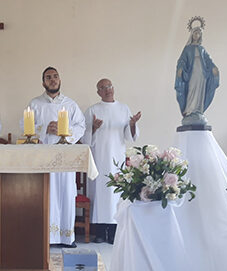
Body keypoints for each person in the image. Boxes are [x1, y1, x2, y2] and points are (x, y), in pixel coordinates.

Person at [26, 67, 85, 247]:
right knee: (47, 193)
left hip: (65, 156)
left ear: (60, 80)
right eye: (48, 77)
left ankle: (67, 236)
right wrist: (44, 129)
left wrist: (64, 130)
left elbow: (81, 126)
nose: (53, 80)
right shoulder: (34, 104)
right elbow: (26, 127)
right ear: (43, 82)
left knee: (65, 193)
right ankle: (47, 237)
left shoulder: (70, 104)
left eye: (55, 77)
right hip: (43, 157)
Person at [82, 78, 141, 244]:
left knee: (116, 194)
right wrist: (93, 128)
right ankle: (99, 232)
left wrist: (132, 124)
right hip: (99, 158)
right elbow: (85, 138)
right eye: (102, 87)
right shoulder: (93, 110)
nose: (107, 89)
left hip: (117, 158)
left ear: (113, 88)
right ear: (98, 92)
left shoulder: (124, 109)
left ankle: (114, 232)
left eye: (109, 86)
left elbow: (130, 136)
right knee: (100, 195)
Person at [175, 20, 219, 126]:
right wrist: (180, 68)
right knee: (191, 90)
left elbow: (209, 61)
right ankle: (190, 110)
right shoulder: (187, 49)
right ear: (192, 34)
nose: (197, 35)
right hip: (192, 74)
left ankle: (198, 110)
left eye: (199, 33)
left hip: (202, 74)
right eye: (195, 33)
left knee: (200, 92)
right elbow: (182, 61)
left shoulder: (202, 49)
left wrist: (214, 68)